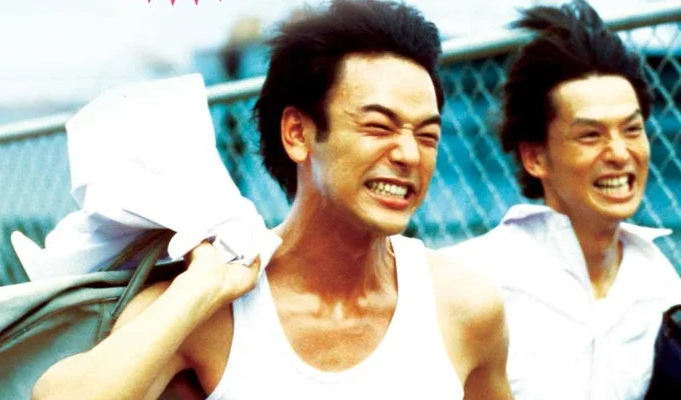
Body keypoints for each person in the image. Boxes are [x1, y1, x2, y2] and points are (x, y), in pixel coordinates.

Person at [32, 1, 513, 399]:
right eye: (377, 126)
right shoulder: (215, 304)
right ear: (297, 133)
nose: (409, 154)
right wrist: (197, 292)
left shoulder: (464, 308)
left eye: (427, 135)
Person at [441, 1, 681, 399]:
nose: (620, 153)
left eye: (632, 129)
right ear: (535, 157)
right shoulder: (470, 280)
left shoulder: (661, 286)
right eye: (591, 135)